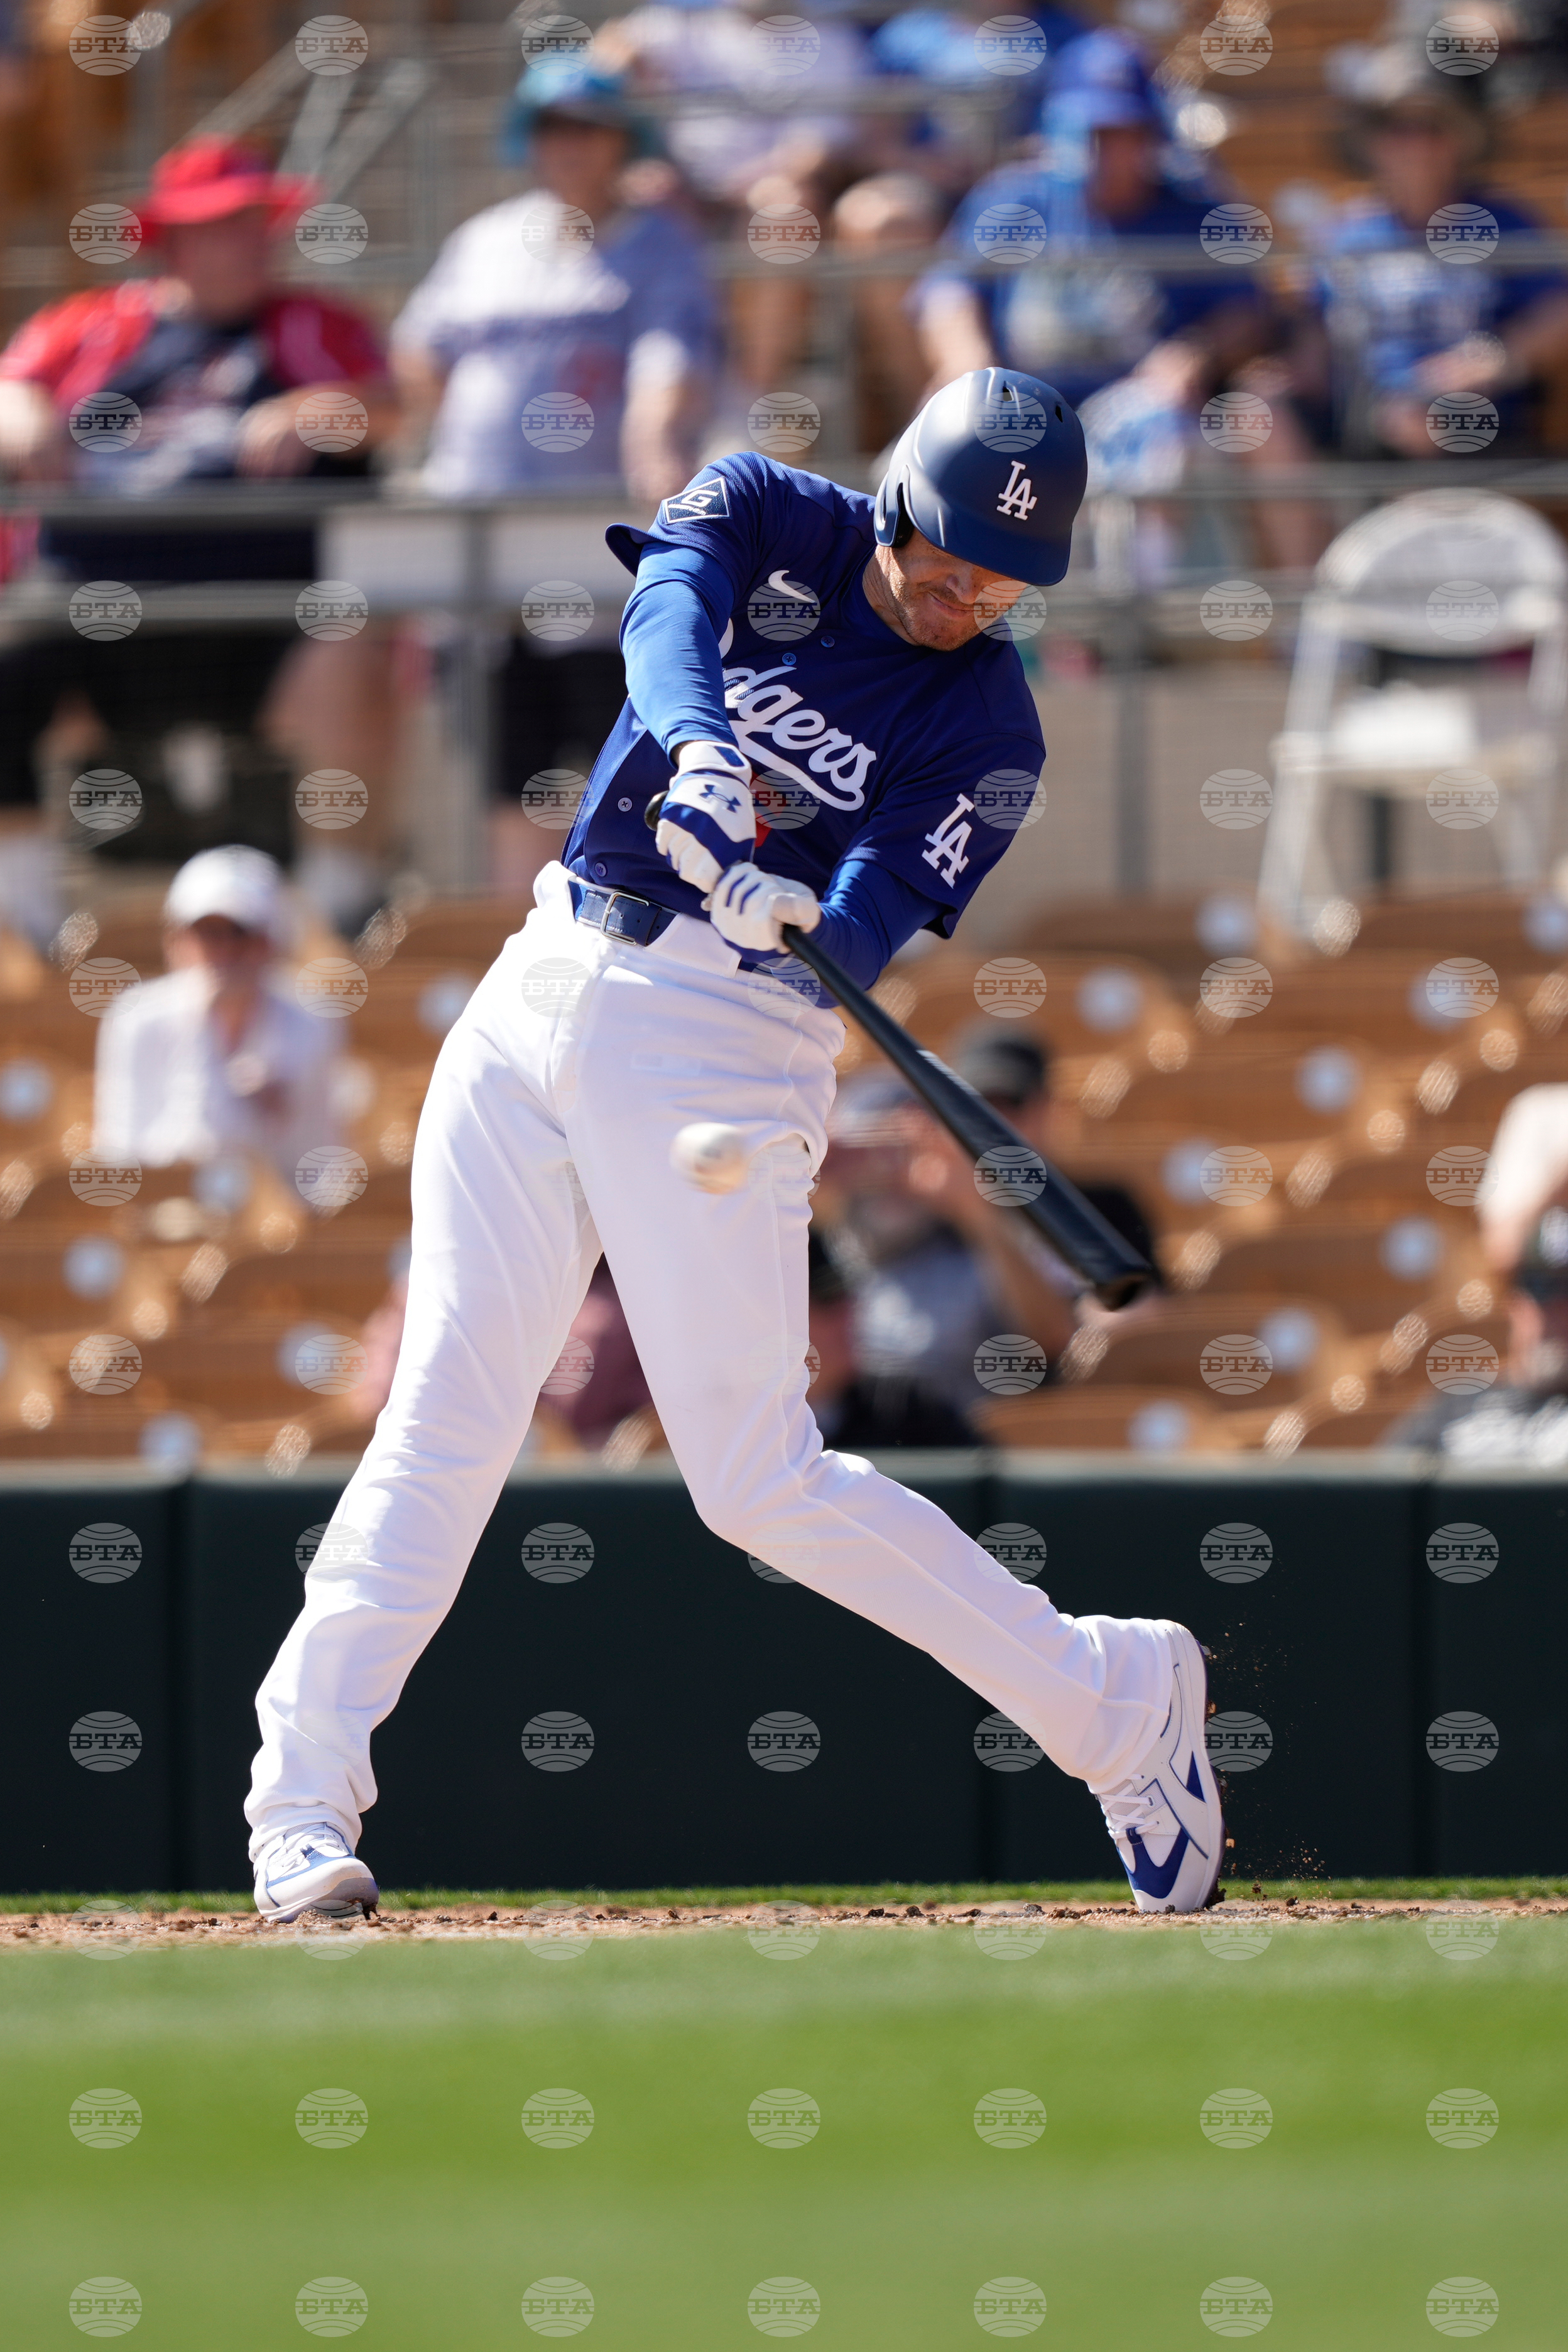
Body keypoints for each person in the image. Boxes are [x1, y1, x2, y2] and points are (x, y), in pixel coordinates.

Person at [245, 366, 1224, 1928]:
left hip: (722, 1031)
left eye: (1003, 581)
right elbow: (661, 622)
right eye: (949, 557)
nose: (967, 596)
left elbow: (876, 917)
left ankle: (1112, 1695)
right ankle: (298, 1802)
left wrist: (793, 923)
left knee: (756, 1477)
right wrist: (704, 763)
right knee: (444, 1405)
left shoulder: (992, 723)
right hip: (547, 966)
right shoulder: (769, 507)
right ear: (895, 496)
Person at [0, 137, 400, 933]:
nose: (243, 243)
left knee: (355, 647)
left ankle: (336, 915)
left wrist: (314, 411)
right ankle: (23, 923)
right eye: (219, 226)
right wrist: (20, 414)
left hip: (265, 609)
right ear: (172, 241)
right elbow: (10, 387)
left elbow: (387, 411)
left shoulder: (313, 327)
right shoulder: (91, 328)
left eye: (255, 224)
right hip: (97, 604)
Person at [390, 58, 719, 896]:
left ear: (620, 140)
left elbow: (670, 359)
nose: (568, 145)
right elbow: (419, 351)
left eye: (587, 127)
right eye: (551, 127)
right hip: (487, 544)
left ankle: (625, 931)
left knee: (624, 769)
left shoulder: (660, 243)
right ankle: (522, 948)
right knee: (515, 775)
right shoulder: (487, 239)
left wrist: (656, 437)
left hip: (597, 544)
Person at [1309, 50, 1568, 458]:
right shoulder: (1347, 235)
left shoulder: (1504, 221)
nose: (1417, 145)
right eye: (1398, 129)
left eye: (1433, 129)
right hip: (1370, 417)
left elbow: (1559, 312)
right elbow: (1316, 338)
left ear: (1460, 142)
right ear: (1372, 144)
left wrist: (1495, 361)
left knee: (1433, 418)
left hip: (1481, 413)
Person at [92, 845, 342, 1179]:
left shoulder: (313, 1025)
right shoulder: (136, 1019)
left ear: (271, 942)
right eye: (207, 934)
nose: (224, 952)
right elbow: (120, 1155)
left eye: (240, 935)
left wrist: (278, 1116)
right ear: (177, 941)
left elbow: (320, 1169)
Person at [1388, 1212, 1568, 1461]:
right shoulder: (1451, 1409)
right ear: (1513, 1300)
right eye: (1539, 1285)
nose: (1559, 1308)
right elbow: (1384, 1491)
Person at [806, 1229, 977, 1447]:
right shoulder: (751, 1422)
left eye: (849, 1296)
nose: (848, 1315)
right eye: (826, 1299)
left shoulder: (914, 1413)